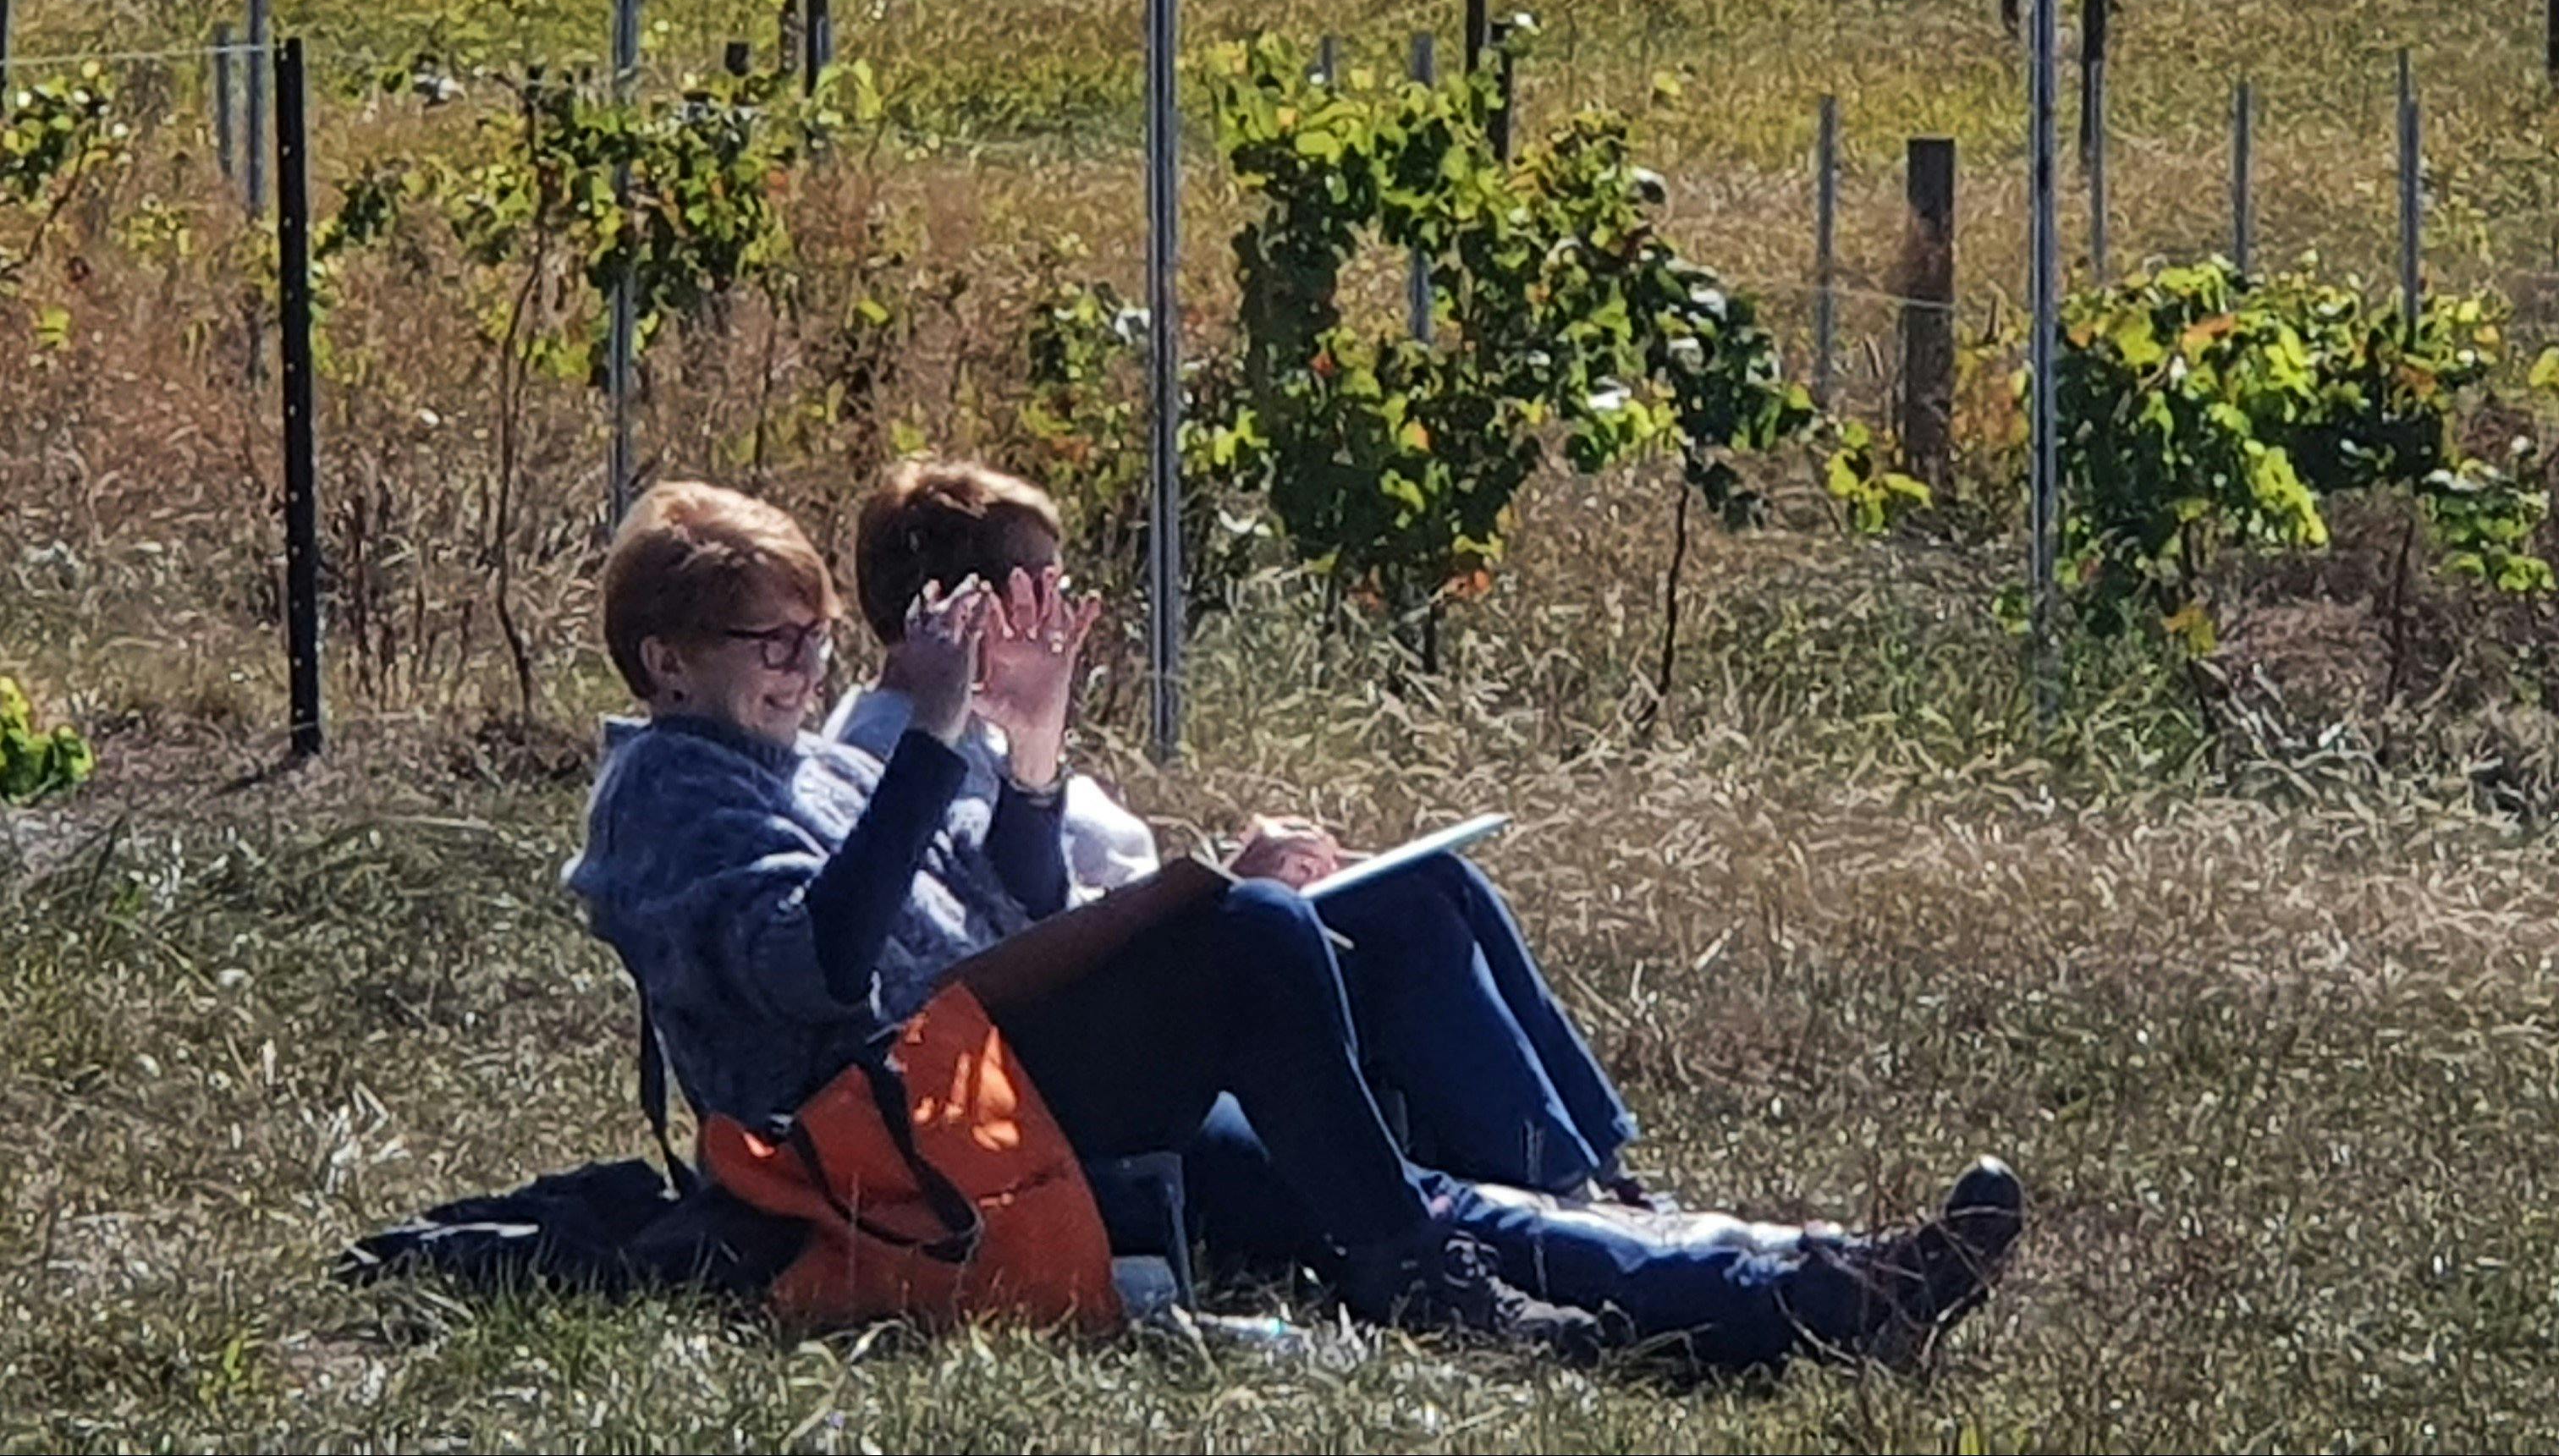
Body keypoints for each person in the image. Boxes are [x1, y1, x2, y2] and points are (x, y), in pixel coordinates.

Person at [567, 477, 2023, 1373]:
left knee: (1389, 1183)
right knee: (1251, 943)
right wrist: (940, 742)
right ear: (665, 659)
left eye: (813, 633)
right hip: (893, 1142)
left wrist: (1016, 749)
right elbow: (818, 970)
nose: (805, 663)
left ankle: (1819, 1284)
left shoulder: (798, 759)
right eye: (773, 640)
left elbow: (1006, 901)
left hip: (980, 1101)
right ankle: (1427, 1286)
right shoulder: (669, 795)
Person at [827, 459, 1643, 1212]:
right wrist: (1216, 879)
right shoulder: (896, 757)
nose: (1066, 615)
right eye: (1042, 587)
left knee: (1431, 884)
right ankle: (1556, 1187)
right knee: (1406, 923)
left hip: (1143, 955)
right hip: (1102, 1016)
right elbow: (1013, 934)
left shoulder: (986, 730)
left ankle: (1599, 1166)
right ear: (963, 606)